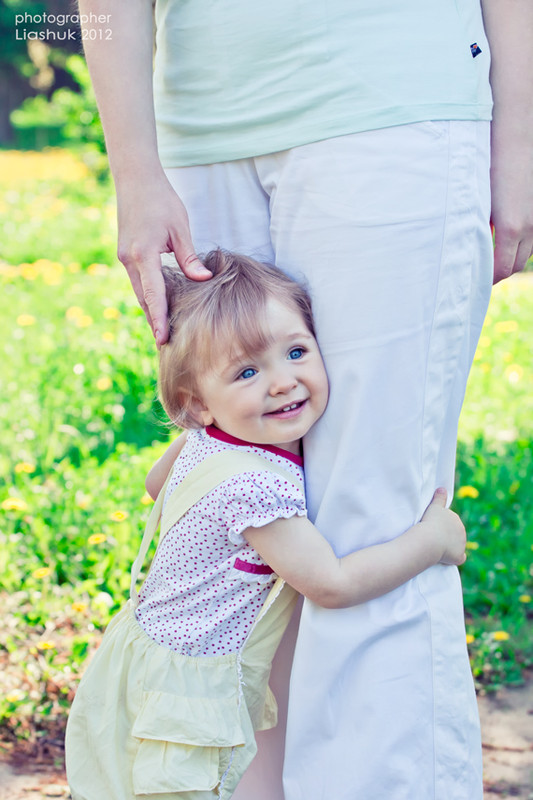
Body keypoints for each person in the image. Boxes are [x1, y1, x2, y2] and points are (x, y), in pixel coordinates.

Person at [77, 2, 533, 797]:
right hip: (198, 123)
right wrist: (135, 170)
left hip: (395, 108)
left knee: (374, 516)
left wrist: (521, 144)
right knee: (239, 522)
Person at [65, 251, 467, 800]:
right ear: (196, 403)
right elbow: (332, 583)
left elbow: (157, 484)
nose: (282, 383)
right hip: (193, 684)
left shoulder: (204, 442)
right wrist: (432, 541)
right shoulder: (257, 488)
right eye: (248, 372)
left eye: (297, 352)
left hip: (140, 651)